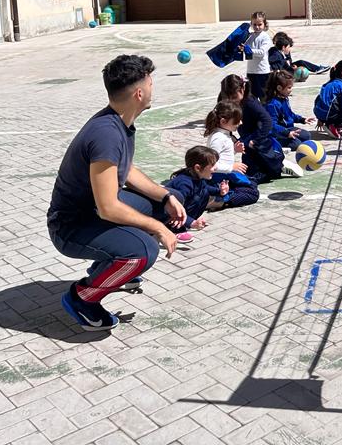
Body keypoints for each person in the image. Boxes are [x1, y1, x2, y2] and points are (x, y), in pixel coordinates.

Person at [47, 55, 186, 331]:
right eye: (150, 82)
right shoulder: (106, 134)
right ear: (139, 92)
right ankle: (83, 299)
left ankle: (111, 267)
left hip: (93, 212)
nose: (152, 87)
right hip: (70, 227)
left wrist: (166, 197)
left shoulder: (119, 122)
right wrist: (157, 228)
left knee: (163, 200)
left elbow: (128, 171)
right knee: (142, 251)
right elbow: (109, 207)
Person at [219, 74, 292, 181]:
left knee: (270, 172)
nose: (231, 101)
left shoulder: (250, 102)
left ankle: (280, 163)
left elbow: (267, 120)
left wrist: (256, 139)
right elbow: (219, 116)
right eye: (228, 98)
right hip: (245, 138)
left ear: (243, 88)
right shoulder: (224, 98)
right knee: (250, 171)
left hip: (258, 137)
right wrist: (229, 136)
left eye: (234, 97)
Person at [203, 100, 260, 206]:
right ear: (223, 122)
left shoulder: (223, 134)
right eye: (236, 121)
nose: (240, 123)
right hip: (219, 178)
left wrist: (234, 150)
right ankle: (220, 200)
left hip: (225, 174)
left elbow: (222, 156)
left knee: (252, 182)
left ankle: (222, 194)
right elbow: (211, 164)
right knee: (253, 193)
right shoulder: (218, 138)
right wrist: (232, 167)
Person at [162, 146, 219, 243]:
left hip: (177, 210)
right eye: (212, 165)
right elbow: (174, 208)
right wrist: (191, 223)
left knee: (203, 193)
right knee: (194, 198)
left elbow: (206, 188)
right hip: (166, 212)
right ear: (197, 168)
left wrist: (219, 191)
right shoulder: (184, 184)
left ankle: (186, 221)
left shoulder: (196, 177)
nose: (216, 168)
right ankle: (173, 229)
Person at [263, 70, 314, 150]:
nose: (291, 90)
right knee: (296, 144)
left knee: (307, 135)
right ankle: (273, 143)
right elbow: (272, 125)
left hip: (288, 129)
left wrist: (303, 119)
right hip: (277, 133)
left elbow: (290, 115)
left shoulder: (284, 99)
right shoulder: (272, 104)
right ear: (279, 88)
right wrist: (287, 133)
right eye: (289, 88)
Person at [245, 11, 272, 99]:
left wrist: (250, 50)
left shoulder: (265, 37)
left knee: (264, 98)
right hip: (251, 71)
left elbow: (262, 52)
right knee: (252, 97)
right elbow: (245, 48)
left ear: (264, 24)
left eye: (259, 24)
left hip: (262, 72)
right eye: (254, 24)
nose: (257, 27)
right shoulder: (250, 36)